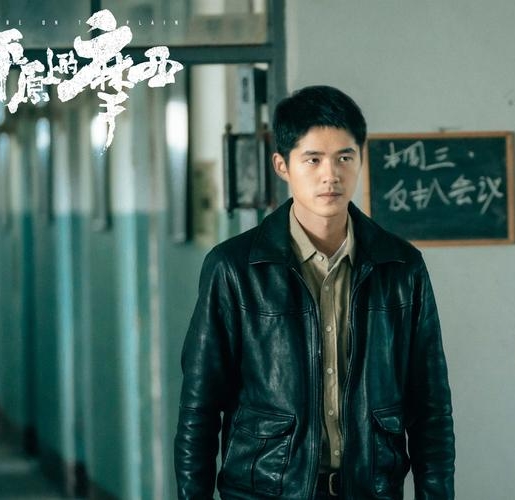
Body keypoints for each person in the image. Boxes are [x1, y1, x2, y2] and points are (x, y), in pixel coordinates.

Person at [175, 85, 455, 500]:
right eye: (313, 159)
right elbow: (199, 408)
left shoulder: (401, 267)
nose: (331, 175)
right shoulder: (234, 268)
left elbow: (431, 407)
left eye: (345, 157)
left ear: (361, 159)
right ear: (282, 165)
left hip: (371, 490)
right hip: (265, 491)